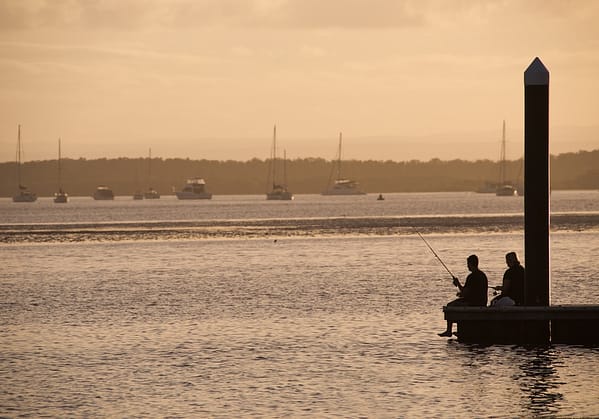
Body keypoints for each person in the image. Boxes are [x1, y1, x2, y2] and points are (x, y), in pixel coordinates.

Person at [438, 254, 488, 337]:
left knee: (449, 306)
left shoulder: (471, 277)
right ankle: (460, 330)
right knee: (458, 303)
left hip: (472, 303)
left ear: (471, 264)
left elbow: (465, 293)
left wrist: (458, 284)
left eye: (468, 264)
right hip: (482, 302)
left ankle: (449, 331)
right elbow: (471, 292)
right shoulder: (483, 275)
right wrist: (461, 293)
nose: (467, 266)